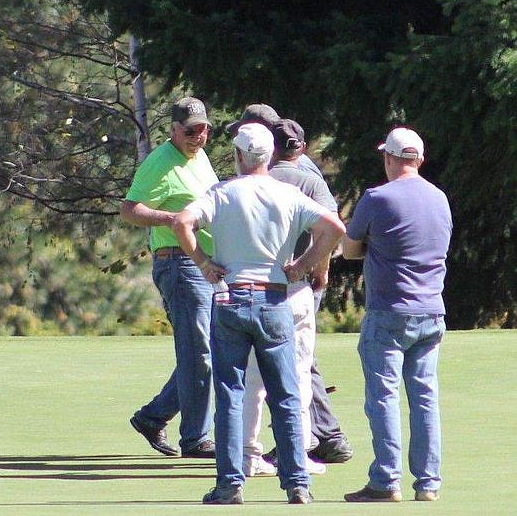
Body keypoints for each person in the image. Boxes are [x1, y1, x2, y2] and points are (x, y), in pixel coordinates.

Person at [172, 123, 345, 505]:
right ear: (268, 156)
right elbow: (334, 227)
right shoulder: (287, 193)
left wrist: (202, 262)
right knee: (285, 393)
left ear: (237, 155)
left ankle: (230, 485)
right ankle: (297, 484)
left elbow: (182, 222)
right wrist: (303, 265)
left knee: (231, 394)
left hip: (231, 298)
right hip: (275, 299)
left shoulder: (221, 192)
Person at [227, 103, 354, 464]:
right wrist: (316, 267)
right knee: (300, 364)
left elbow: (328, 225)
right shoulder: (308, 174)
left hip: (268, 284)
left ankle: (299, 442)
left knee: (268, 371)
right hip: (300, 280)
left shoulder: (255, 180)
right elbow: (331, 228)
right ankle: (309, 442)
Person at [342, 127, 451, 503]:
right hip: (431, 311)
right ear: (418, 159)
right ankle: (428, 484)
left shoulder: (376, 197)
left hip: (389, 311)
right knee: (424, 396)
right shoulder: (440, 199)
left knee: (383, 396)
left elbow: (350, 249)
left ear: (389, 158)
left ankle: (386, 481)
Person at [120, 97, 218, 459]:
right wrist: (173, 220)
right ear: (174, 130)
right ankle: (195, 438)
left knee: (204, 352)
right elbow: (129, 210)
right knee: (199, 352)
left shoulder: (200, 157)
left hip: (203, 262)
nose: (198, 137)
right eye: (190, 131)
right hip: (178, 263)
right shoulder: (159, 162)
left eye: (204, 129)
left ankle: (153, 417)